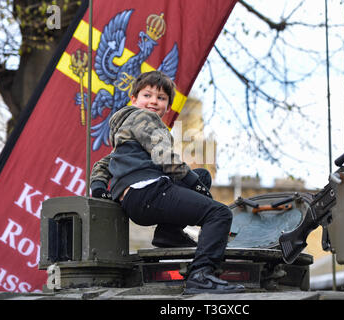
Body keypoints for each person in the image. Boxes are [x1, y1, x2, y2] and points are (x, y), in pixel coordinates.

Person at [90, 70, 245, 294]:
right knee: (219, 214)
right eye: (147, 95)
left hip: (137, 200)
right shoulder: (144, 118)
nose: (154, 101)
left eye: (161, 98)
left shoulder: (124, 132)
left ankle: (168, 234)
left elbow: (102, 165)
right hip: (149, 191)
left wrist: (98, 187)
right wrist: (192, 183)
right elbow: (164, 157)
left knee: (203, 175)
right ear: (133, 100)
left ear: (168, 106)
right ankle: (202, 274)